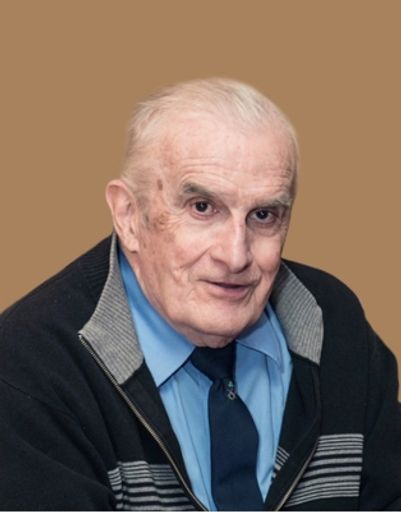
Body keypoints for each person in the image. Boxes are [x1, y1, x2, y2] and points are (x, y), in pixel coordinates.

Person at [0, 78, 400, 511]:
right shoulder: (30, 367)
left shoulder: (334, 326)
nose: (235, 255)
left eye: (263, 215)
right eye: (202, 208)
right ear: (129, 215)